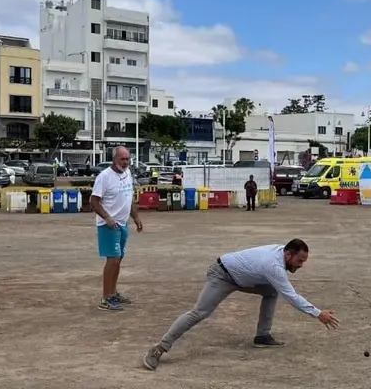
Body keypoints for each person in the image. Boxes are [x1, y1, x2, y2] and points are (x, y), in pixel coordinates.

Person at [142, 239, 340, 371]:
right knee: (200, 312)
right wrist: (318, 314)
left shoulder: (282, 252)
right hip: (222, 275)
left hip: (243, 277)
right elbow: (291, 296)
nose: (301, 265)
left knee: (271, 291)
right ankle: (159, 348)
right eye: (299, 260)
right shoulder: (273, 265)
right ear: (288, 254)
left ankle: (262, 336)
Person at [90, 146, 143, 311]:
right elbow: (94, 201)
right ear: (114, 159)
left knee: (118, 260)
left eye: (127, 159)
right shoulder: (104, 177)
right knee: (112, 260)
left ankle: (113, 293)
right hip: (109, 225)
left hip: (122, 223)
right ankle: (105, 298)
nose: (125, 162)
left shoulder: (127, 174)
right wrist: (107, 217)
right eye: (122, 159)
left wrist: (135, 217)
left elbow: (128, 197)